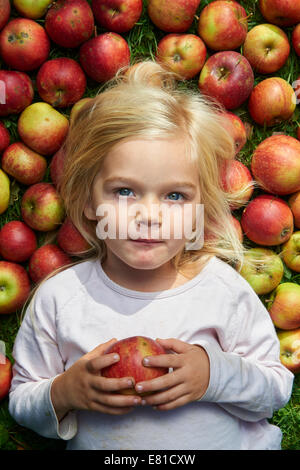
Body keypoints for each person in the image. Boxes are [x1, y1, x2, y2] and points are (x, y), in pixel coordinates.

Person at [9, 60, 294, 450]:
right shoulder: (61, 299)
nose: (149, 216)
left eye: (175, 196)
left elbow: (275, 390)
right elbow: (22, 403)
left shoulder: (221, 290)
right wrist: (63, 393)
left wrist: (213, 375)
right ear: (89, 200)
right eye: (124, 191)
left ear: (200, 209)